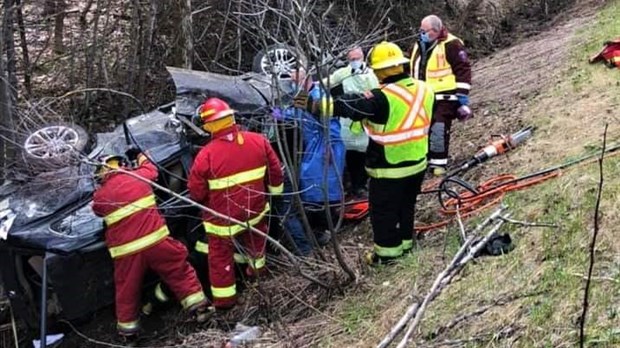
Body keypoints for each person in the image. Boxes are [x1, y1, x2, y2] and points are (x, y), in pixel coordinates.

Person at [309, 41, 434, 264]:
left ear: (380, 70)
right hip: (418, 162)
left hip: (389, 167)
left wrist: (313, 105)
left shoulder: (380, 97)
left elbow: (346, 105)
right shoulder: (424, 87)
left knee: (384, 212)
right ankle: (405, 244)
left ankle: (386, 256)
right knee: (406, 205)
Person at [92, 152, 208, 344]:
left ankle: (129, 334)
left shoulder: (100, 197)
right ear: (121, 164)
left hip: (127, 253)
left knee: (127, 291)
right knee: (179, 272)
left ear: (101, 174)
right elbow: (152, 170)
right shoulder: (137, 176)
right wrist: (141, 156)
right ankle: (200, 308)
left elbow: (96, 210)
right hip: (157, 243)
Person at [187, 97, 283, 309]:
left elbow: (196, 193)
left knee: (220, 259)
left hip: (223, 221)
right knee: (256, 246)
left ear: (209, 126)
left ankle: (225, 301)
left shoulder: (206, 155)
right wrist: (274, 197)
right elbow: (276, 174)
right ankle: (257, 277)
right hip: (255, 211)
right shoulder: (259, 140)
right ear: (232, 117)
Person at [409, 15, 472, 176]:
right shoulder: (419, 45)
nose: (421, 33)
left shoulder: (452, 44)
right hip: (422, 96)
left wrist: (462, 97)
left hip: (445, 97)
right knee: (422, 130)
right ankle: (426, 161)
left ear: (435, 31)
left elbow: (463, 69)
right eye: (420, 30)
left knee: (439, 128)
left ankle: (438, 165)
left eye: (424, 31)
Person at [323, 47, 379, 197]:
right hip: (347, 122)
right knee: (349, 155)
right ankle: (350, 185)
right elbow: (324, 84)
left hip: (367, 121)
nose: (355, 62)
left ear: (363, 57)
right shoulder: (343, 74)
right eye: (352, 59)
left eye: (357, 58)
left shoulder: (372, 74)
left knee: (365, 155)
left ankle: (361, 185)